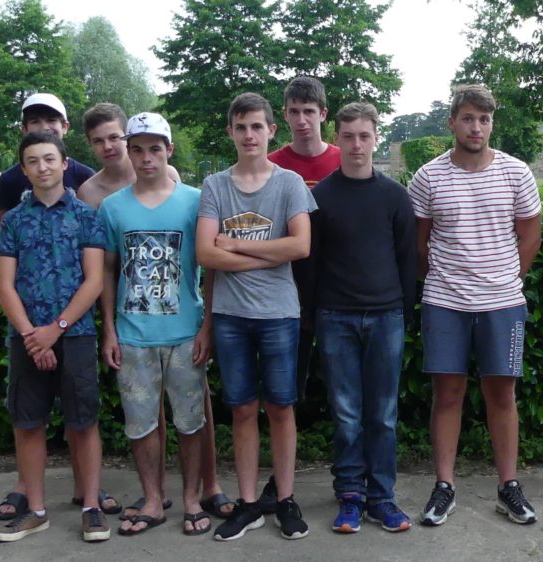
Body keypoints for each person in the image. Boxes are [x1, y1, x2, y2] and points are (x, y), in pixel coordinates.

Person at [80, 103, 233, 523]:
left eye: (155, 149)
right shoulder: (113, 208)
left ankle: (191, 499)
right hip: (133, 336)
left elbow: (211, 269)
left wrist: (207, 325)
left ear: (169, 150)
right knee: (140, 423)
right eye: (138, 149)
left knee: (191, 421)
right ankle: (152, 499)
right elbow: (106, 270)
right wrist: (109, 330)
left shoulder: (196, 202)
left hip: (185, 334)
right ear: (129, 152)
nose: (146, 158)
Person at [410, 84, 542, 526]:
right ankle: (444, 486)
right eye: (467, 118)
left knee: (502, 394)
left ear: (491, 124)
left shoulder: (516, 173)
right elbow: (419, 243)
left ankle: (508, 486)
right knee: (447, 394)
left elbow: (530, 234)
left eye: (484, 119)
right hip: (444, 302)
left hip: (502, 303)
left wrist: (506, 280)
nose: (476, 127)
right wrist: (444, 281)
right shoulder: (428, 177)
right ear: (452, 122)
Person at [197, 93, 316, 542]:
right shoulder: (215, 186)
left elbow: (300, 246)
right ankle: (249, 504)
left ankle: (284, 499)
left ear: (271, 131)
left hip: (279, 313)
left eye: (257, 126)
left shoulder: (289, 183)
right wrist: (266, 254)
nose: (249, 135)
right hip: (230, 316)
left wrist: (235, 245)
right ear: (230, 131)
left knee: (281, 408)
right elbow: (205, 253)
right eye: (241, 127)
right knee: (243, 408)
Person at [0, 94, 114, 521]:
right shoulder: (13, 221)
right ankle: (36, 509)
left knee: (83, 421)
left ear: (64, 163)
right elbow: (4, 285)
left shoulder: (86, 216)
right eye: (33, 161)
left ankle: (91, 504)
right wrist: (32, 335)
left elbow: (94, 281)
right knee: (28, 422)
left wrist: (56, 328)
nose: (42, 167)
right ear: (23, 170)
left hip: (75, 334)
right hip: (26, 338)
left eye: (49, 159)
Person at [306, 102, 417, 533]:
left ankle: (382, 497)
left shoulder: (394, 196)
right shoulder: (321, 197)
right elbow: (311, 263)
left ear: (375, 138)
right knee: (347, 413)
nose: (357, 145)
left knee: (383, 414)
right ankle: (350, 494)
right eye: (349, 136)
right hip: (336, 317)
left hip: (386, 316)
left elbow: (407, 260)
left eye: (364, 136)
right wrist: (314, 315)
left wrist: (402, 311)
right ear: (337, 138)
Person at [257, 75, 340, 513]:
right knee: (285, 393)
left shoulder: (344, 158)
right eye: (294, 111)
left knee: (346, 392)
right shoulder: (270, 164)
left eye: (310, 111)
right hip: (285, 296)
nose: (302, 119)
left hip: (340, 293)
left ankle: (352, 476)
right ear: (284, 115)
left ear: (323, 114)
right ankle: (279, 480)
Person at [0, 93, 95, 227]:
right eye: (35, 121)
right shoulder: (9, 180)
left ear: (65, 127)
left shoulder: (85, 177)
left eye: (51, 120)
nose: (44, 127)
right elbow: (2, 232)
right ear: (24, 129)